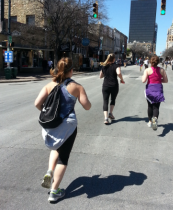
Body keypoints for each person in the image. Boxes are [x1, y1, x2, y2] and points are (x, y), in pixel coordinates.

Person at [34, 57, 91, 202]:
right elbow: (87, 106)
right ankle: (54, 191)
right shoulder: (77, 87)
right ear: (71, 71)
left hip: (51, 125)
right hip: (68, 126)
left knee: (55, 148)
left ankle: (49, 171)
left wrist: (48, 113)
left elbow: (37, 104)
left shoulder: (49, 85)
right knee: (63, 158)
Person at [142, 55, 168, 130]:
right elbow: (166, 80)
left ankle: (150, 121)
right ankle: (155, 118)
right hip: (158, 89)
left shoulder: (147, 70)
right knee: (156, 107)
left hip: (150, 89)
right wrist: (159, 80)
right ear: (158, 62)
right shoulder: (162, 70)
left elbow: (143, 80)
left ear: (150, 62)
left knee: (150, 106)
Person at [99, 53, 125, 124]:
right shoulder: (116, 66)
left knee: (105, 101)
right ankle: (110, 113)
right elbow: (119, 73)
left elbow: (100, 76)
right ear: (114, 59)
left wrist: (106, 73)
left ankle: (106, 118)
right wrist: (122, 79)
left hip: (105, 86)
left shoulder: (104, 66)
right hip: (114, 85)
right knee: (113, 99)